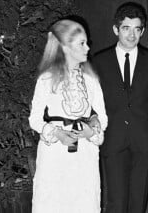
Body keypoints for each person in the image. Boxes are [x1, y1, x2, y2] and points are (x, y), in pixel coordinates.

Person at [92, 2, 148, 213]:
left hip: (145, 143)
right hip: (113, 141)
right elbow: (93, 104)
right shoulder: (99, 61)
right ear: (116, 29)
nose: (132, 34)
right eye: (126, 28)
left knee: (138, 204)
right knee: (115, 203)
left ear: (142, 31)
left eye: (137, 29)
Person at [29, 17, 108, 213]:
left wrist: (92, 131)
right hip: (55, 156)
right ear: (65, 47)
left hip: (84, 157)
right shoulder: (47, 78)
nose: (87, 48)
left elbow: (102, 116)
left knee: (84, 204)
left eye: (86, 42)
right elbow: (35, 119)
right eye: (82, 43)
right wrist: (57, 134)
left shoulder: (90, 79)